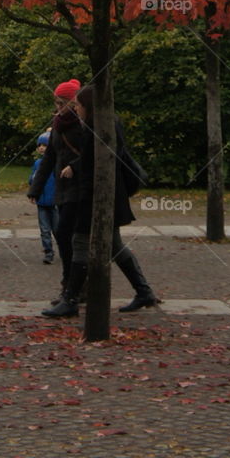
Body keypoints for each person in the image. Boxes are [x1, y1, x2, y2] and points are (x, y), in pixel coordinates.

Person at [42, 83, 159, 318]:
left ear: (89, 107)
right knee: (113, 244)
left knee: (80, 243)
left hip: (98, 197)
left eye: (79, 105)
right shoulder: (102, 126)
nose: (77, 109)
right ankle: (143, 291)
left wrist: (85, 196)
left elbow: (94, 165)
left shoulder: (97, 129)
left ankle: (72, 299)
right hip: (106, 196)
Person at [28, 79, 83, 300]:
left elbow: (94, 153)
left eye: (62, 103)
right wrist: (36, 188)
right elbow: (49, 157)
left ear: (73, 102)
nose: (58, 108)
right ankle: (72, 284)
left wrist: (74, 166)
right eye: (56, 103)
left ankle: (71, 285)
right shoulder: (58, 125)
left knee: (65, 233)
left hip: (79, 187)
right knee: (67, 235)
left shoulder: (83, 125)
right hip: (62, 188)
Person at [29, 132, 57, 264]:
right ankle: (48, 252)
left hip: (55, 201)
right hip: (41, 201)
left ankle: (65, 250)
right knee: (44, 229)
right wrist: (33, 193)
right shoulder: (37, 163)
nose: (41, 148)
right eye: (39, 145)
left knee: (58, 229)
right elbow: (33, 179)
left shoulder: (57, 163)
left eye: (45, 145)